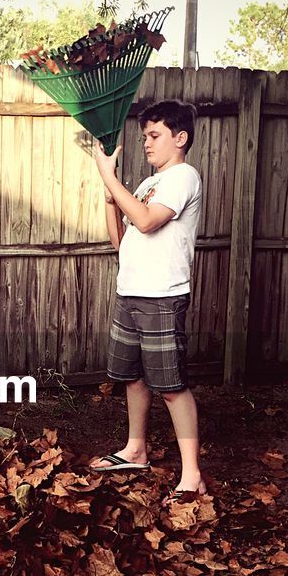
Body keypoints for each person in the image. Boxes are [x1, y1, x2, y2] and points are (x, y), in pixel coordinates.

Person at [88, 100, 206, 499]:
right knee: (133, 377)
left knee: (170, 385)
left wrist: (110, 178)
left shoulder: (183, 176)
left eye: (154, 136)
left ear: (180, 137)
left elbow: (147, 220)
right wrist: (110, 196)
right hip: (132, 290)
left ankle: (192, 475)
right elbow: (120, 240)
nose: (146, 145)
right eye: (144, 138)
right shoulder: (146, 184)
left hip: (162, 296)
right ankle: (135, 449)